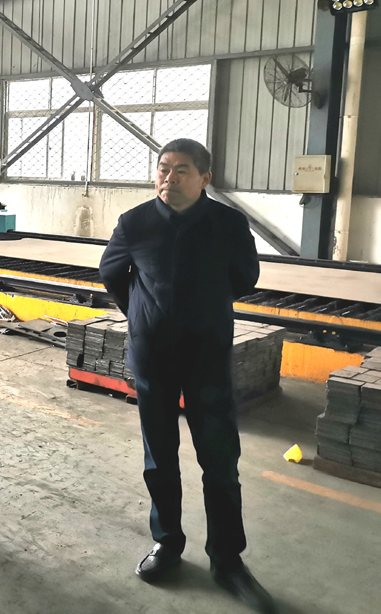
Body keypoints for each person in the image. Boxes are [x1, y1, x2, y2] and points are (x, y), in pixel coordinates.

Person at [98, 139, 274, 613]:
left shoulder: (228, 224)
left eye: (181, 170)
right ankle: (167, 543)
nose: (169, 178)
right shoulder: (135, 223)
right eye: (163, 168)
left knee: (220, 461)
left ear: (204, 179)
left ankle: (228, 560)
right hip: (153, 358)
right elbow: (112, 273)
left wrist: (202, 307)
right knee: (159, 458)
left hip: (206, 357)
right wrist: (144, 316)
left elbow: (245, 277)